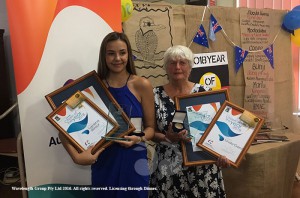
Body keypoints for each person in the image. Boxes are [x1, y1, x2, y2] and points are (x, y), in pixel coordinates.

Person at [59, 31, 155, 198]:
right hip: (104, 163)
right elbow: (62, 129)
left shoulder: (142, 85)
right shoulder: (92, 88)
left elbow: (151, 129)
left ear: (128, 54)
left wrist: (138, 138)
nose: (117, 58)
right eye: (111, 53)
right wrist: (76, 157)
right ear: (103, 56)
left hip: (135, 163)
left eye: (122, 52)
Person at [149, 45, 229, 198]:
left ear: (190, 67)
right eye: (172, 63)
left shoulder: (206, 94)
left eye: (182, 62)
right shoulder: (154, 95)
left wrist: (223, 153)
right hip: (168, 169)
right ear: (166, 67)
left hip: (202, 167)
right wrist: (167, 137)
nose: (177, 67)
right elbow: (151, 131)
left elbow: (219, 131)